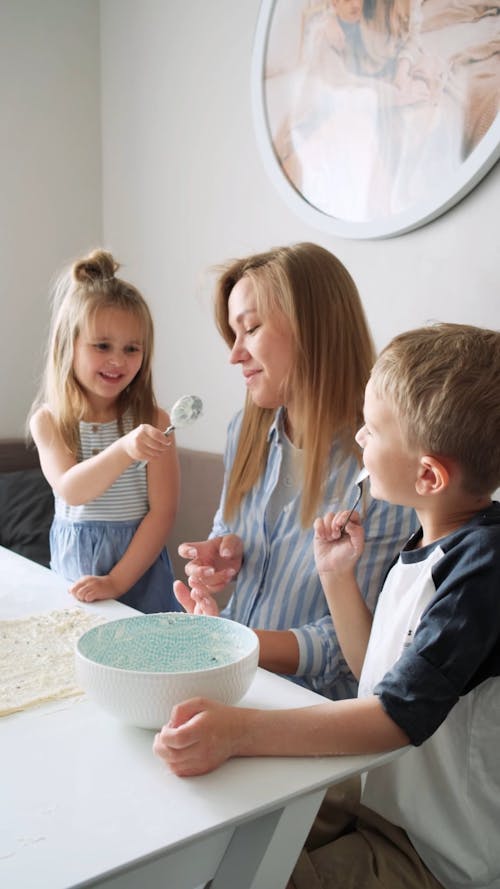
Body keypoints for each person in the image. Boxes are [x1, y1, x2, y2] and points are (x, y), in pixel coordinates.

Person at [154, 322, 500, 889]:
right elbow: (376, 676)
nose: (360, 440)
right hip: (378, 799)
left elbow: (393, 717)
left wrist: (241, 730)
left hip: (435, 852)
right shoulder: (429, 540)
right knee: (220, 832)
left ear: (429, 475)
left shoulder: (481, 566)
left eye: (372, 430)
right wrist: (338, 577)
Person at [174, 242, 416, 698]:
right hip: (236, 683)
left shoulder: (379, 467)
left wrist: (232, 643)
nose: (235, 354)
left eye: (251, 329)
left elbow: (355, 645)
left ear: (313, 329)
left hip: (311, 707)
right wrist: (224, 553)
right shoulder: (243, 429)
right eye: (233, 334)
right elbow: (229, 525)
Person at [29, 248, 181, 613]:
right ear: (69, 345)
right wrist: (125, 450)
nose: (118, 360)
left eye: (132, 348)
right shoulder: (50, 421)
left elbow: (163, 512)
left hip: (139, 575)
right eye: (102, 346)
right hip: (74, 571)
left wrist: (117, 582)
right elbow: (71, 490)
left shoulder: (155, 421)